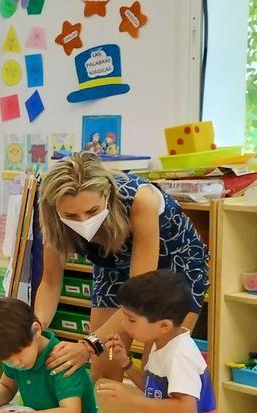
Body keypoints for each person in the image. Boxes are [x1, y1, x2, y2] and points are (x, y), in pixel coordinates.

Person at [35, 152, 208, 386]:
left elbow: (139, 295)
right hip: (113, 264)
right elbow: (50, 283)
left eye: (92, 211)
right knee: (104, 367)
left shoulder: (141, 199)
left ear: (106, 195)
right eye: (71, 215)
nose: (83, 220)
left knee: (160, 368)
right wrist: (37, 326)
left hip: (174, 269)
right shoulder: (52, 216)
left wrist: (88, 345)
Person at [97, 271, 222, 413]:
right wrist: (126, 363)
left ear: (164, 325)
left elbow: (186, 409)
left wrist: (130, 400)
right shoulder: (162, 342)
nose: (123, 324)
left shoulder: (180, 354)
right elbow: (153, 389)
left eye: (131, 320)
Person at [0, 298, 101, 413]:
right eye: (6, 360)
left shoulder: (62, 358)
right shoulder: (14, 353)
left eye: (18, 354)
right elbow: (7, 387)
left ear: (36, 330)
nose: (16, 363)